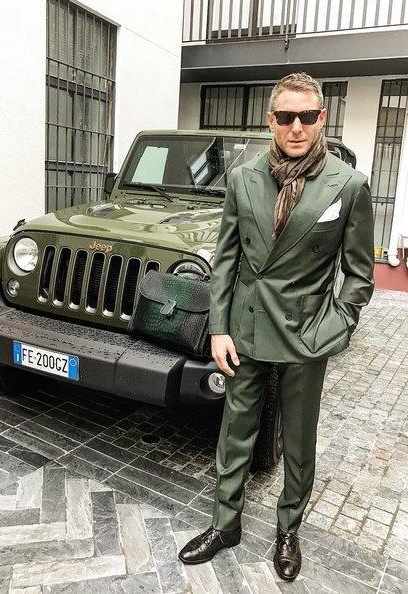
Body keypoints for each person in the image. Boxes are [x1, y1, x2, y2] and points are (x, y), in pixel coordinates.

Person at [178, 72, 375, 581]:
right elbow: (227, 261)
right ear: (271, 120)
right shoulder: (243, 178)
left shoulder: (347, 185)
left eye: (307, 117)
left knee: (298, 440)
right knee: (235, 430)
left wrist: (336, 327)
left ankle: (289, 529)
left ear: (322, 118)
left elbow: (358, 274)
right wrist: (218, 327)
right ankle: (226, 524)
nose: (296, 127)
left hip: (306, 336)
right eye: (285, 116)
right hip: (244, 329)